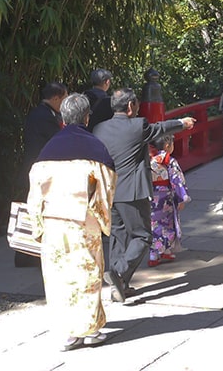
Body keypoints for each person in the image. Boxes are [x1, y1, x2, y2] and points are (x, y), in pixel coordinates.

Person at [25, 93, 116, 351]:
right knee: (87, 273)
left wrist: (37, 225)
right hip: (82, 221)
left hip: (54, 221)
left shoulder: (48, 150)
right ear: (87, 117)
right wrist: (101, 217)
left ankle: (67, 332)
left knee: (59, 276)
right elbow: (106, 187)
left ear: (62, 118)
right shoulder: (94, 148)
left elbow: (35, 191)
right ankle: (90, 329)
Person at [92, 88, 195, 303]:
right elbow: (159, 129)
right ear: (130, 107)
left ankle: (120, 285)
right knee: (142, 235)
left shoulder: (99, 128)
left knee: (118, 236)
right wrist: (182, 123)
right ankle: (119, 273)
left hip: (110, 190)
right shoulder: (137, 126)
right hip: (132, 191)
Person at [16, 81, 68, 267]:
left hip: (34, 166)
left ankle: (28, 254)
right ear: (55, 98)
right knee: (37, 211)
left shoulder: (38, 113)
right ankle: (29, 254)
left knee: (35, 210)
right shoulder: (45, 117)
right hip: (41, 169)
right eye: (63, 98)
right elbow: (58, 140)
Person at [148, 134, 190, 267]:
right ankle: (160, 252)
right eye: (172, 143)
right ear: (167, 146)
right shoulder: (169, 161)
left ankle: (158, 253)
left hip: (151, 196)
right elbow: (177, 180)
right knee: (168, 224)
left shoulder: (150, 159)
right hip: (166, 197)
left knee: (154, 224)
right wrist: (182, 197)